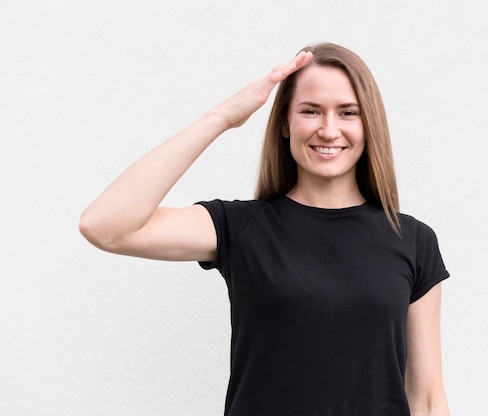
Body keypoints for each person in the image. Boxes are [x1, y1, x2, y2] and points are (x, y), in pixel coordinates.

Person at [80, 43, 451, 416]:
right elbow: (105, 226)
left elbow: (428, 401)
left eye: (347, 112)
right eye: (310, 111)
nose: (328, 129)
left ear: (369, 124)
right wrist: (222, 117)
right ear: (285, 124)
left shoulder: (414, 240)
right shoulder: (240, 228)